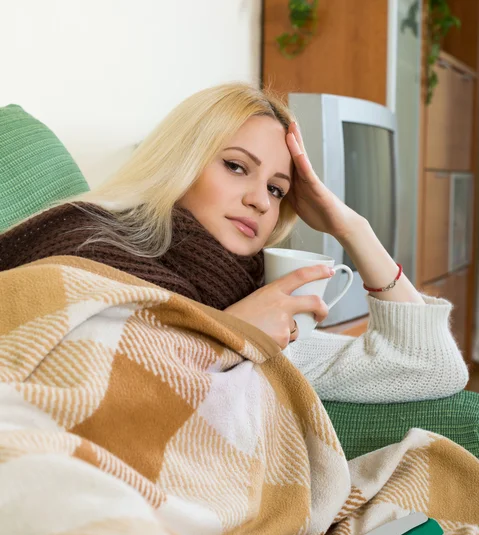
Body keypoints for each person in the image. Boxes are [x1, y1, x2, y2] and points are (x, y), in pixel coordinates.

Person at [0, 81, 468, 403]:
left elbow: (432, 368)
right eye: (237, 166)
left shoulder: (259, 306)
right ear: (181, 162)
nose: (261, 202)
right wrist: (229, 337)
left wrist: (351, 227)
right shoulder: (85, 245)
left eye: (276, 189)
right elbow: (62, 389)